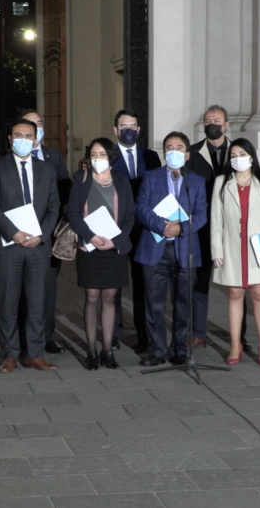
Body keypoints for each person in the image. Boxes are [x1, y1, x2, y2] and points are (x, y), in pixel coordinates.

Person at [0, 118, 61, 373]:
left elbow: (54, 206)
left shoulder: (47, 169)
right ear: (10, 139)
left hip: (38, 246)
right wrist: (13, 233)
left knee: (37, 303)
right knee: (8, 302)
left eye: (28, 136)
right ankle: (10, 354)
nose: (23, 140)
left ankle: (35, 354)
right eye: (18, 135)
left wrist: (42, 234)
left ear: (35, 139)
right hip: (8, 245)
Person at [134, 132, 207, 367]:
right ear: (164, 153)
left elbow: (201, 214)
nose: (173, 152)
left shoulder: (195, 181)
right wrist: (162, 226)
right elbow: (141, 207)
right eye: (169, 148)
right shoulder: (151, 177)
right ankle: (156, 350)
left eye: (178, 148)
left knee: (183, 302)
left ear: (187, 155)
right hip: (155, 247)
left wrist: (181, 228)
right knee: (154, 303)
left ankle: (179, 349)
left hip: (184, 249)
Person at [210, 139, 260, 366]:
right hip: (232, 246)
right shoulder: (222, 182)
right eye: (233, 155)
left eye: (242, 154)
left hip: (259, 246)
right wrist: (217, 250)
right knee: (235, 292)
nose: (237, 159)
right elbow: (217, 220)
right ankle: (235, 344)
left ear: (251, 156)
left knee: (259, 293)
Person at [66, 138, 136, 370]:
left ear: (111, 157)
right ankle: (91, 351)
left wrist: (115, 240)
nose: (97, 159)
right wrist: (91, 237)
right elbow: (73, 213)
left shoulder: (122, 180)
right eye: (94, 155)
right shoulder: (81, 178)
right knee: (92, 297)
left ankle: (107, 350)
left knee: (109, 298)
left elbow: (129, 216)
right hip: (90, 247)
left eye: (102, 154)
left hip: (114, 248)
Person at [187, 105, 248, 351]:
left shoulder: (240, 153)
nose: (211, 124)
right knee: (199, 282)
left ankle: (239, 337)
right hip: (202, 227)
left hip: (233, 228)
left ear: (226, 125)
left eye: (216, 120)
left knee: (239, 284)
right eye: (207, 121)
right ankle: (198, 333)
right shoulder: (192, 153)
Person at [19, 109, 71, 355]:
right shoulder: (12, 158)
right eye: (30, 124)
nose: (36, 128)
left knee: (48, 288)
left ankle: (46, 337)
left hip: (48, 232)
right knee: (22, 289)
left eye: (39, 123)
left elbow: (65, 187)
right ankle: (22, 338)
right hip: (21, 234)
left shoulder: (54, 156)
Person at [110, 109, 162, 352]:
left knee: (144, 284)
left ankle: (144, 336)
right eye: (124, 126)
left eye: (132, 126)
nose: (128, 130)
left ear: (139, 130)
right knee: (115, 284)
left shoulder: (151, 157)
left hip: (144, 230)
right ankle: (113, 334)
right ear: (116, 130)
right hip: (117, 229)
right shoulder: (107, 155)